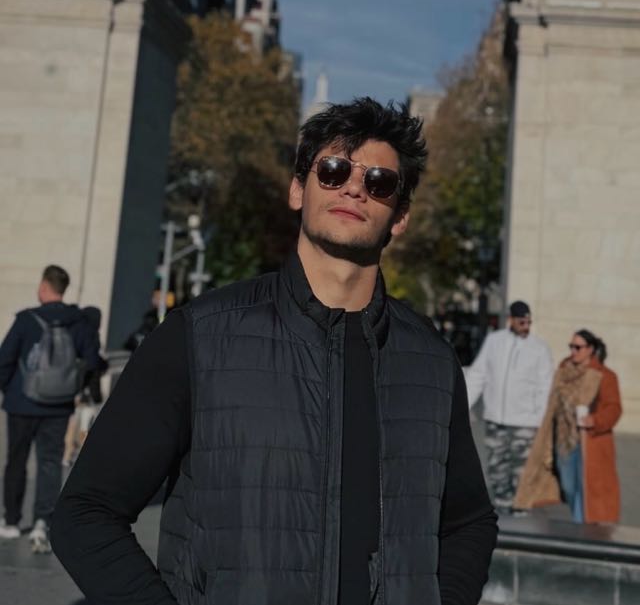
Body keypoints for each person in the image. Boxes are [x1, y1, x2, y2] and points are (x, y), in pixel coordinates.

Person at [51, 98, 497, 605]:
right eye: (333, 170)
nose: (354, 188)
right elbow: (84, 514)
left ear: (400, 217)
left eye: (379, 182)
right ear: (297, 189)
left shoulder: (431, 361)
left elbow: (470, 522)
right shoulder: (198, 336)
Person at [0, 265, 100, 552]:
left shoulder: (26, 320)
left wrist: (9, 390)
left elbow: (5, 359)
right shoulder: (79, 322)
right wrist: (72, 388)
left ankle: (11, 521)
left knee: (16, 461)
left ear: (44, 287)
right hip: (58, 406)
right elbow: (92, 361)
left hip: (22, 402)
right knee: (50, 462)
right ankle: (42, 521)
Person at [514, 330, 622, 524]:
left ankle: (582, 528)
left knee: (585, 489)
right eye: (571, 346)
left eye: (578, 347)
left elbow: (614, 408)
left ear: (590, 349)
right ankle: (580, 521)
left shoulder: (604, 376)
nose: (573, 351)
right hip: (563, 441)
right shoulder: (563, 371)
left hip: (590, 443)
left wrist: (594, 420)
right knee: (568, 487)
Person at [465, 300, 554, 514]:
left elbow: (545, 387)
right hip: (496, 419)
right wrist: (463, 404)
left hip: (525, 422)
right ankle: (503, 511)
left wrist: (540, 420)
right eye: (522, 321)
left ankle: (520, 510)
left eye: (529, 322)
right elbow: (478, 375)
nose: (526, 326)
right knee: (497, 468)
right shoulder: (494, 341)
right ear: (511, 320)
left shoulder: (539, 348)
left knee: (521, 470)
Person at [62, 307, 108, 467]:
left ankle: (66, 455)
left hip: (70, 386)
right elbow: (93, 364)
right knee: (85, 424)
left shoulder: (71, 331)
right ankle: (82, 458)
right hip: (86, 388)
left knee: (72, 421)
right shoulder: (91, 335)